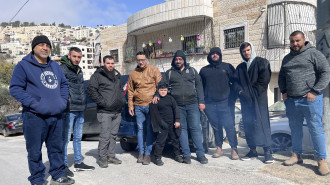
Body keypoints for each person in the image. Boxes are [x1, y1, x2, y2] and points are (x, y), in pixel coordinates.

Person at [9, 35, 74, 185]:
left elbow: (64, 85)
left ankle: (58, 175)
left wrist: (62, 101)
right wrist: (33, 103)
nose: (45, 48)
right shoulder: (23, 66)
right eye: (41, 45)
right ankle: (37, 179)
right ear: (34, 47)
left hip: (56, 115)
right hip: (34, 116)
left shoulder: (55, 66)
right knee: (34, 151)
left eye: (48, 45)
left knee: (56, 148)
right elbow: (15, 88)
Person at [278, 31, 330, 176]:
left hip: (310, 100)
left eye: (297, 40)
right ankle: (296, 155)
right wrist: (283, 91)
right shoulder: (286, 59)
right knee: (295, 129)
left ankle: (321, 160)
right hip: (292, 100)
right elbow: (282, 76)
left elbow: (326, 72)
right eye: (292, 41)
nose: (295, 44)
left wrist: (315, 91)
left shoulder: (314, 54)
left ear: (304, 40)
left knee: (316, 129)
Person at [157, 50, 208, 164]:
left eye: (180, 59)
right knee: (182, 130)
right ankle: (186, 155)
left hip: (193, 104)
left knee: (195, 128)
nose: (178, 61)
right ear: (174, 60)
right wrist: (156, 95)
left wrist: (201, 101)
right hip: (178, 106)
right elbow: (161, 85)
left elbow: (199, 86)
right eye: (176, 59)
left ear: (184, 60)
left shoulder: (192, 71)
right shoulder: (169, 73)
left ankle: (200, 154)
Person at [234, 42, 273, 164]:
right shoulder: (240, 67)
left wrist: (250, 93)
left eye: (248, 50)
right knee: (249, 124)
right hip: (246, 102)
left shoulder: (262, 62)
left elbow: (263, 82)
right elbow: (235, 83)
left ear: (252, 49)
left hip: (259, 100)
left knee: (262, 124)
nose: (246, 53)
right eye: (244, 51)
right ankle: (253, 150)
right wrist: (241, 92)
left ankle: (267, 152)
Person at [199, 47, 239, 160]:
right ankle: (219, 148)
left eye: (217, 53)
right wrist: (201, 101)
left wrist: (233, 99)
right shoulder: (204, 70)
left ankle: (234, 149)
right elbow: (200, 87)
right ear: (209, 56)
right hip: (210, 104)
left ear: (220, 55)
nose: (215, 55)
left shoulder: (228, 67)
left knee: (229, 126)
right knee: (216, 128)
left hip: (225, 103)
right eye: (213, 54)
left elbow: (235, 83)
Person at [60, 47, 95, 175]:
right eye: (74, 56)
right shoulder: (62, 69)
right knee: (65, 138)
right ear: (69, 56)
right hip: (69, 109)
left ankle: (78, 162)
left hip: (80, 108)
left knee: (78, 137)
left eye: (79, 57)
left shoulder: (79, 70)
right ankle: (63, 165)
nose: (77, 59)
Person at [88, 55, 126, 168]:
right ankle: (102, 158)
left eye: (112, 63)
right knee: (105, 136)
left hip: (117, 111)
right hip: (104, 111)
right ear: (103, 64)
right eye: (108, 63)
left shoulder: (116, 76)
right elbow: (91, 91)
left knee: (113, 135)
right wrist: (104, 103)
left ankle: (111, 156)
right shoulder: (97, 76)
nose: (111, 65)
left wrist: (122, 101)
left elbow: (120, 90)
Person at [127, 51, 162, 165]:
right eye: (139, 60)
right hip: (138, 106)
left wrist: (157, 95)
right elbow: (130, 90)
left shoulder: (154, 70)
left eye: (143, 60)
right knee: (140, 130)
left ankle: (148, 154)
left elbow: (160, 85)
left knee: (149, 130)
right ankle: (141, 153)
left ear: (146, 59)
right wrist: (130, 105)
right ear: (136, 61)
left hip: (150, 105)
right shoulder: (133, 73)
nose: (141, 62)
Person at [149, 82, 182, 166]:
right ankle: (157, 158)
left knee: (175, 140)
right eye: (161, 90)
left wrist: (177, 120)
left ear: (167, 90)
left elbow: (176, 109)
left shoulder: (171, 99)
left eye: (165, 90)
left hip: (172, 123)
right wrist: (161, 123)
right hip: (162, 125)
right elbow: (154, 114)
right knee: (160, 142)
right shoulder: (155, 100)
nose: (163, 92)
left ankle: (177, 155)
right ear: (157, 90)